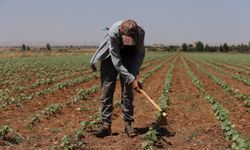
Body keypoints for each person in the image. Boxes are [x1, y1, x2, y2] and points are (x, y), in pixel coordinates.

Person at [90, 19, 145, 138]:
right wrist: (131, 78)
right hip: (111, 56)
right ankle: (106, 126)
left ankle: (128, 124)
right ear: (120, 31)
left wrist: (133, 75)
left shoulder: (140, 33)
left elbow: (139, 55)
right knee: (107, 88)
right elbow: (116, 61)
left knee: (127, 91)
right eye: (125, 38)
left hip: (128, 55)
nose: (127, 41)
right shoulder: (113, 33)